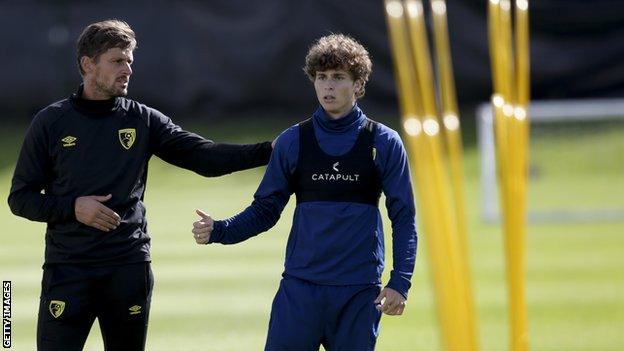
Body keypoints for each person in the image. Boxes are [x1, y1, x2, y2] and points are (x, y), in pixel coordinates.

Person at [7, 20, 273, 351]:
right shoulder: (51, 122)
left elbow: (206, 157)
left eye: (130, 60)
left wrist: (270, 151)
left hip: (127, 267)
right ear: (88, 64)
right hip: (68, 270)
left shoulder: (142, 120)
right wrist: (74, 208)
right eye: (118, 60)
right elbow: (21, 199)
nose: (128, 69)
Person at [192, 34, 417, 351]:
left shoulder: (384, 141)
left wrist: (400, 283)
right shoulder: (293, 141)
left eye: (338, 78)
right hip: (300, 290)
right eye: (321, 78)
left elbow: (404, 216)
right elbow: (265, 210)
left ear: (358, 84)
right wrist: (220, 230)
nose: (328, 86)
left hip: (358, 291)